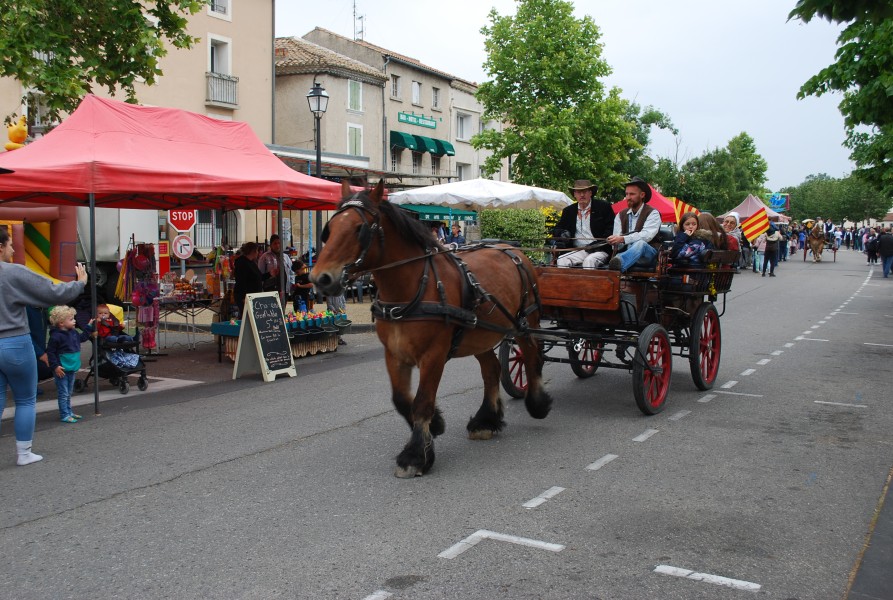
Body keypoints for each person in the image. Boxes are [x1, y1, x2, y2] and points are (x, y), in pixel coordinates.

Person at [1, 227, 88, 465]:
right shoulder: (12, 272)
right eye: (9, 244)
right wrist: (79, 283)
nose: (13, 248)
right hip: (15, 342)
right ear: (0, 247)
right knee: (25, 399)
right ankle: (24, 453)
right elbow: (51, 291)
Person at [46, 305, 94, 423]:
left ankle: (69, 412)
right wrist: (55, 366)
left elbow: (82, 338)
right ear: (61, 323)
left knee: (68, 392)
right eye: (71, 319)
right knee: (64, 393)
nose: (74, 321)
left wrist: (89, 327)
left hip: (71, 367)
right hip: (61, 369)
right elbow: (50, 352)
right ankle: (64, 414)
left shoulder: (73, 332)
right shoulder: (56, 336)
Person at [554, 179, 615, 268]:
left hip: (599, 250)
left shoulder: (603, 207)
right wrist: (562, 233)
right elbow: (556, 229)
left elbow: (611, 229)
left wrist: (597, 244)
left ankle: (589, 283)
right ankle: (568, 282)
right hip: (578, 251)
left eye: (585, 192)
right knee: (562, 259)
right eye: (579, 192)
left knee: (589, 261)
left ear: (590, 193)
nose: (582, 195)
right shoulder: (568, 211)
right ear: (574, 194)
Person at [607, 177, 661, 272]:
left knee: (641, 243)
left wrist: (623, 239)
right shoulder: (620, 215)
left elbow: (646, 236)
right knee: (623, 248)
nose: (628, 197)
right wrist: (615, 241)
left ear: (642, 195)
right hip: (627, 251)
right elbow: (617, 244)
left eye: (632, 194)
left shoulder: (653, 213)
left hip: (648, 253)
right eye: (627, 194)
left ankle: (619, 264)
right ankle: (618, 263)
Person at [232, 242, 263, 317]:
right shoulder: (242, 263)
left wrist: (270, 274)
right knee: (247, 316)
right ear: (253, 251)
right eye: (257, 251)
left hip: (253, 295)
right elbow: (241, 281)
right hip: (245, 296)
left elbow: (259, 277)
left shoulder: (252, 263)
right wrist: (244, 297)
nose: (258, 253)